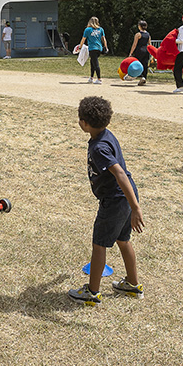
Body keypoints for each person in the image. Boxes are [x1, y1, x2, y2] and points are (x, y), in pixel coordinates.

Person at [68, 96, 144, 306]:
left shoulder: (99, 147)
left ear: (84, 123)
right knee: (123, 240)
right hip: (125, 198)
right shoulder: (106, 136)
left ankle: (92, 293)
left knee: (99, 245)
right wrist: (133, 204)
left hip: (115, 201)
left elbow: (120, 174)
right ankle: (132, 284)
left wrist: (136, 209)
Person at [77, 17, 108, 84]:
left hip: (92, 48)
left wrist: (80, 47)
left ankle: (99, 79)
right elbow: (104, 39)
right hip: (99, 48)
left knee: (95, 64)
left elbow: (83, 39)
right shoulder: (100, 29)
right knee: (92, 62)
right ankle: (91, 77)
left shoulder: (88, 30)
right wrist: (106, 47)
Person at [128, 21, 151, 86]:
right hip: (146, 50)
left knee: (137, 64)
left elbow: (134, 44)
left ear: (139, 26)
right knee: (145, 65)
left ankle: (135, 75)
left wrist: (131, 53)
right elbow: (149, 44)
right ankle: (144, 77)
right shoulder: (148, 34)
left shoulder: (138, 34)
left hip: (139, 50)